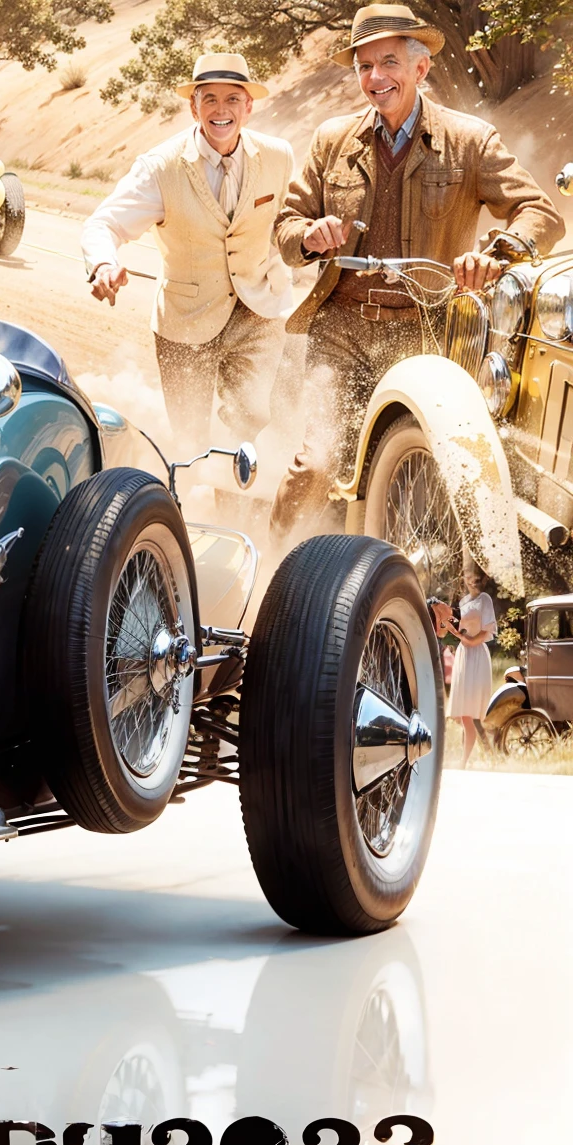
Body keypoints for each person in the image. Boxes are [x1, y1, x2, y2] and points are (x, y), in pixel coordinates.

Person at [268, 4, 564, 537]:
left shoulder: (471, 140)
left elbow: (541, 213)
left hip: (427, 334)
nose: (375, 78)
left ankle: (392, 590)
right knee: (316, 464)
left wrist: (494, 257)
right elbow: (286, 225)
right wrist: (309, 237)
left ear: (420, 69)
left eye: (387, 63)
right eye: (363, 67)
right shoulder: (331, 139)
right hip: (340, 327)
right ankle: (270, 569)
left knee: (416, 472)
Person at [82, 53, 296, 461]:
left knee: (253, 418)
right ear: (193, 106)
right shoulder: (160, 168)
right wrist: (103, 263)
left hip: (258, 311)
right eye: (209, 99)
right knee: (190, 440)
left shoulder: (278, 156)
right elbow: (103, 224)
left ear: (248, 107)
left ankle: (237, 501)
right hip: (185, 319)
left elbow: (292, 221)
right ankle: (188, 510)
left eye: (233, 99)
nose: (221, 110)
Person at [442, 567, 496, 764]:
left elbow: (487, 631)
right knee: (464, 712)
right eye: (468, 577)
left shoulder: (485, 600)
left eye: (476, 577)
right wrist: (453, 636)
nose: (472, 581)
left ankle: (466, 761)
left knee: (472, 710)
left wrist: (467, 640)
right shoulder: (464, 601)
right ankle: (468, 758)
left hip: (476, 653)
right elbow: (458, 627)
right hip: (463, 655)